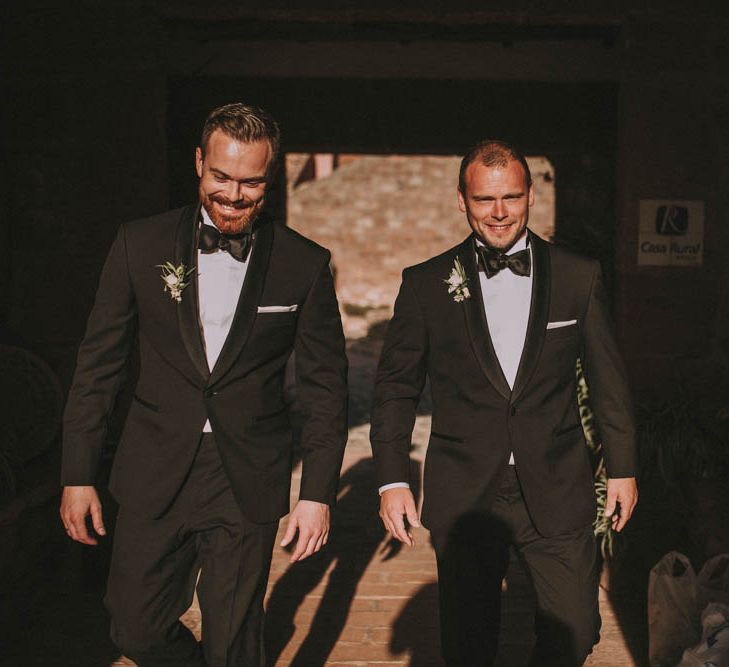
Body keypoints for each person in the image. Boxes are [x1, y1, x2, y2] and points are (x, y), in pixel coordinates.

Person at [59, 102, 348, 666]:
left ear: (271, 177)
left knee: (235, 644)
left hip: (247, 475)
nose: (234, 195)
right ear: (198, 163)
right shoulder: (138, 245)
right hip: (153, 467)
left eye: (250, 182)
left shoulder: (304, 263)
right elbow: (98, 367)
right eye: (221, 177)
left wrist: (315, 492)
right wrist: (77, 473)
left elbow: (325, 390)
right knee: (133, 630)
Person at [370, 139, 637, 666]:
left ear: (531, 196)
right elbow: (396, 386)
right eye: (484, 200)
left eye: (511, 197)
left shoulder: (578, 276)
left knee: (576, 632)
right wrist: (392, 478)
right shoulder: (424, 284)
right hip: (467, 492)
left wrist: (624, 466)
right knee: (469, 644)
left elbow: (609, 381)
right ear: (461, 200)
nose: (498, 213)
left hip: (557, 483)